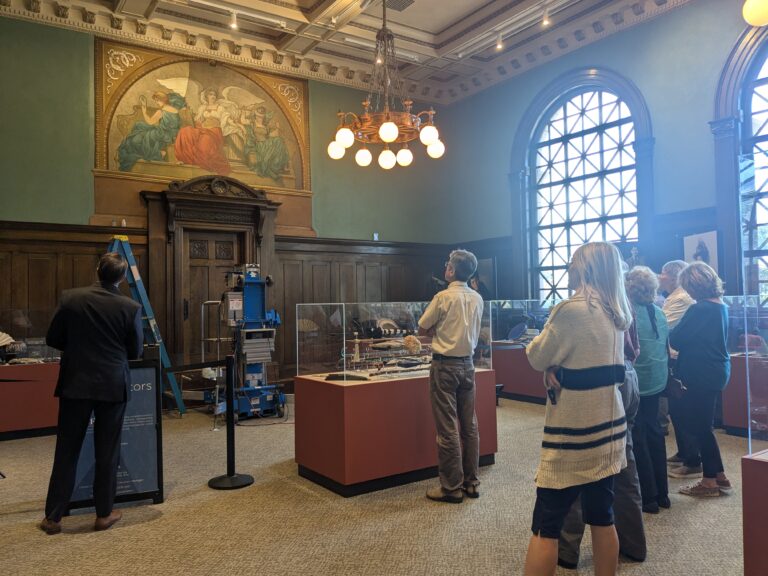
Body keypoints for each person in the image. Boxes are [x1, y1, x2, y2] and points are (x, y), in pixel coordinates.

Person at [524, 242, 631, 576]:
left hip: (573, 437)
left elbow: (536, 355)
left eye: (572, 262)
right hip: (609, 429)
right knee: (602, 516)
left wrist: (550, 366)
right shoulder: (617, 312)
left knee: (546, 525)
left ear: (584, 268)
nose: (568, 268)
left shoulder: (568, 310)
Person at [39, 253, 144, 535]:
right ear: (122, 278)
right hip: (112, 384)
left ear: (98, 270)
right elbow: (135, 352)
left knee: (66, 449)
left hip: (76, 383)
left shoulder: (70, 298)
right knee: (107, 451)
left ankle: (53, 517)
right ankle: (104, 514)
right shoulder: (131, 307)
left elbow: (52, 338)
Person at [558, 263, 646, 568]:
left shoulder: (582, 307)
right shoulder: (621, 301)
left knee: (578, 461)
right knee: (623, 462)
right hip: (628, 377)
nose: (568, 274)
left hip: (599, 382)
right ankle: (633, 544)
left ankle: (566, 549)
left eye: (572, 268)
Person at [418, 249, 484, 503]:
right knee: (470, 426)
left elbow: (423, 327)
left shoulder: (442, 297)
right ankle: (472, 482)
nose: (445, 268)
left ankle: (451, 487)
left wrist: (439, 330)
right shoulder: (477, 298)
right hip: (468, 365)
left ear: (451, 270)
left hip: (444, 366)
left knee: (447, 429)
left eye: (447, 265)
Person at [670, 262, 732, 497]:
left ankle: (709, 481)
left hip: (700, 372)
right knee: (704, 426)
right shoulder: (721, 306)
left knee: (700, 427)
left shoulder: (700, 309)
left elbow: (676, 338)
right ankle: (719, 475)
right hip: (716, 369)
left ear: (694, 286)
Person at [626, 266, 670, 514]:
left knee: (638, 434)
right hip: (657, 380)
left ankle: (649, 496)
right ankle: (663, 493)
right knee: (654, 431)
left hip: (638, 381)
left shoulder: (629, 313)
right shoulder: (659, 312)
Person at [658, 260, 700, 477]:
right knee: (676, 408)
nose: (659, 276)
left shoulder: (681, 299)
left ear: (674, 276)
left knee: (683, 409)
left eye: (663, 273)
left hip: (681, 359)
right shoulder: (673, 297)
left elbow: (665, 325)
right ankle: (684, 452)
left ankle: (692, 458)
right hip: (676, 358)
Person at [117, 91, 185, 172]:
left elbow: (150, 122)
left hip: (161, 134)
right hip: (171, 134)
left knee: (138, 135)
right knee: (140, 125)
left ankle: (158, 153)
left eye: (157, 100)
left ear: (163, 100)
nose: (156, 103)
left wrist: (144, 110)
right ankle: (159, 152)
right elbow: (173, 125)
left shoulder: (161, 111)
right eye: (155, 101)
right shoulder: (175, 110)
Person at [174, 88, 234, 175]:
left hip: (214, 131)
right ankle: (185, 158)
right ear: (206, 97)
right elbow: (197, 120)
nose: (213, 96)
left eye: (214, 95)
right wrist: (187, 113)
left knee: (205, 141)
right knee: (185, 131)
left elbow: (226, 119)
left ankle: (200, 161)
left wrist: (237, 125)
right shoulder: (203, 107)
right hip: (203, 129)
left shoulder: (220, 108)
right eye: (210, 94)